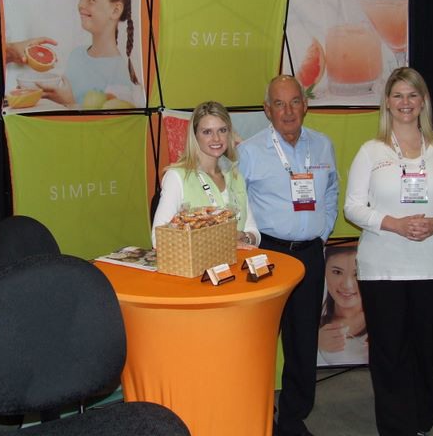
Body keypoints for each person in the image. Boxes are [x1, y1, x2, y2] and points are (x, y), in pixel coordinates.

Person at [344, 67, 433, 436]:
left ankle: (422, 420)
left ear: (423, 101)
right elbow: (352, 208)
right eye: (398, 95)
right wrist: (393, 224)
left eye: (412, 95)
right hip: (383, 268)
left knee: (425, 349)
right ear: (387, 102)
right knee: (388, 351)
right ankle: (395, 427)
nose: (406, 102)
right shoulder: (371, 152)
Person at [238, 75, 339, 436]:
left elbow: (331, 192)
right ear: (267, 110)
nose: (288, 111)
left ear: (305, 105)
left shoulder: (323, 145)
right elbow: (236, 202)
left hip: (310, 254)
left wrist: (322, 232)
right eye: (279, 104)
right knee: (260, 340)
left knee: (303, 339)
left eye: (295, 101)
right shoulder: (250, 151)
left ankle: (294, 418)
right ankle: (258, 415)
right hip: (267, 254)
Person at [152, 101, 260, 248]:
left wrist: (244, 237)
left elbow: (253, 231)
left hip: (236, 261)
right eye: (207, 132)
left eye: (222, 130)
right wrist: (218, 243)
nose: (216, 138)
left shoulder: (235, 175)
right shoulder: (177, 177)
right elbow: (158, 240)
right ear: (195, 136)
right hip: (197, 262)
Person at [40, 0, 139, 107]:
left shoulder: (121, 70)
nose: (81, 5)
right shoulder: (76, 55)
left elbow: (114, 120)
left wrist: (70, 103)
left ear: (115, 10)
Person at [317, 245, 367, 366]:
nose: (347, 285)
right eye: (337, 272)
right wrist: (314, 342)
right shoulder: (309, 323)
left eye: (357, 273)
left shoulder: (386, 322)